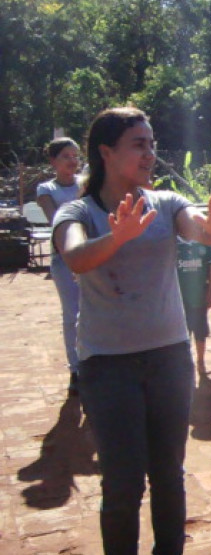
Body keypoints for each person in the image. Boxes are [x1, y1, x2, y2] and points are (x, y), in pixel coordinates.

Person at [52, 107, 211, 553]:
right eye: (139, 144)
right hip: (107, 366)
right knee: (123, 484)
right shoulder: (78, 211)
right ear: (106, 152)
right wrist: (118, 236)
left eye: (152, 144)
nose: (150, 153)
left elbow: (199, 230)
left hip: (169, 358)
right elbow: (76, 257)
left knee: (169, 474)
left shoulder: (167, 203)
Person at [36, 137, 82, 394]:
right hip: (63, 259)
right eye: (66, 156)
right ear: (53, 161)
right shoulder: (46, 190)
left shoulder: (85, 185)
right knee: (72, 314)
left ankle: (94, 362)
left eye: (75, 156)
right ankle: (75, 368)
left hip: (90, 254)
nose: (72, 161)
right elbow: (57, 222)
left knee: (95, 309)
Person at [176, 238, 211, 375]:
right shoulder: (174, 244)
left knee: (200, 330)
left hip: (199, 297)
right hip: (179, 299)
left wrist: (210, 292)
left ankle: (201, 362)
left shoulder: (204, 242)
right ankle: (184, 364)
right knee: (182, 332)